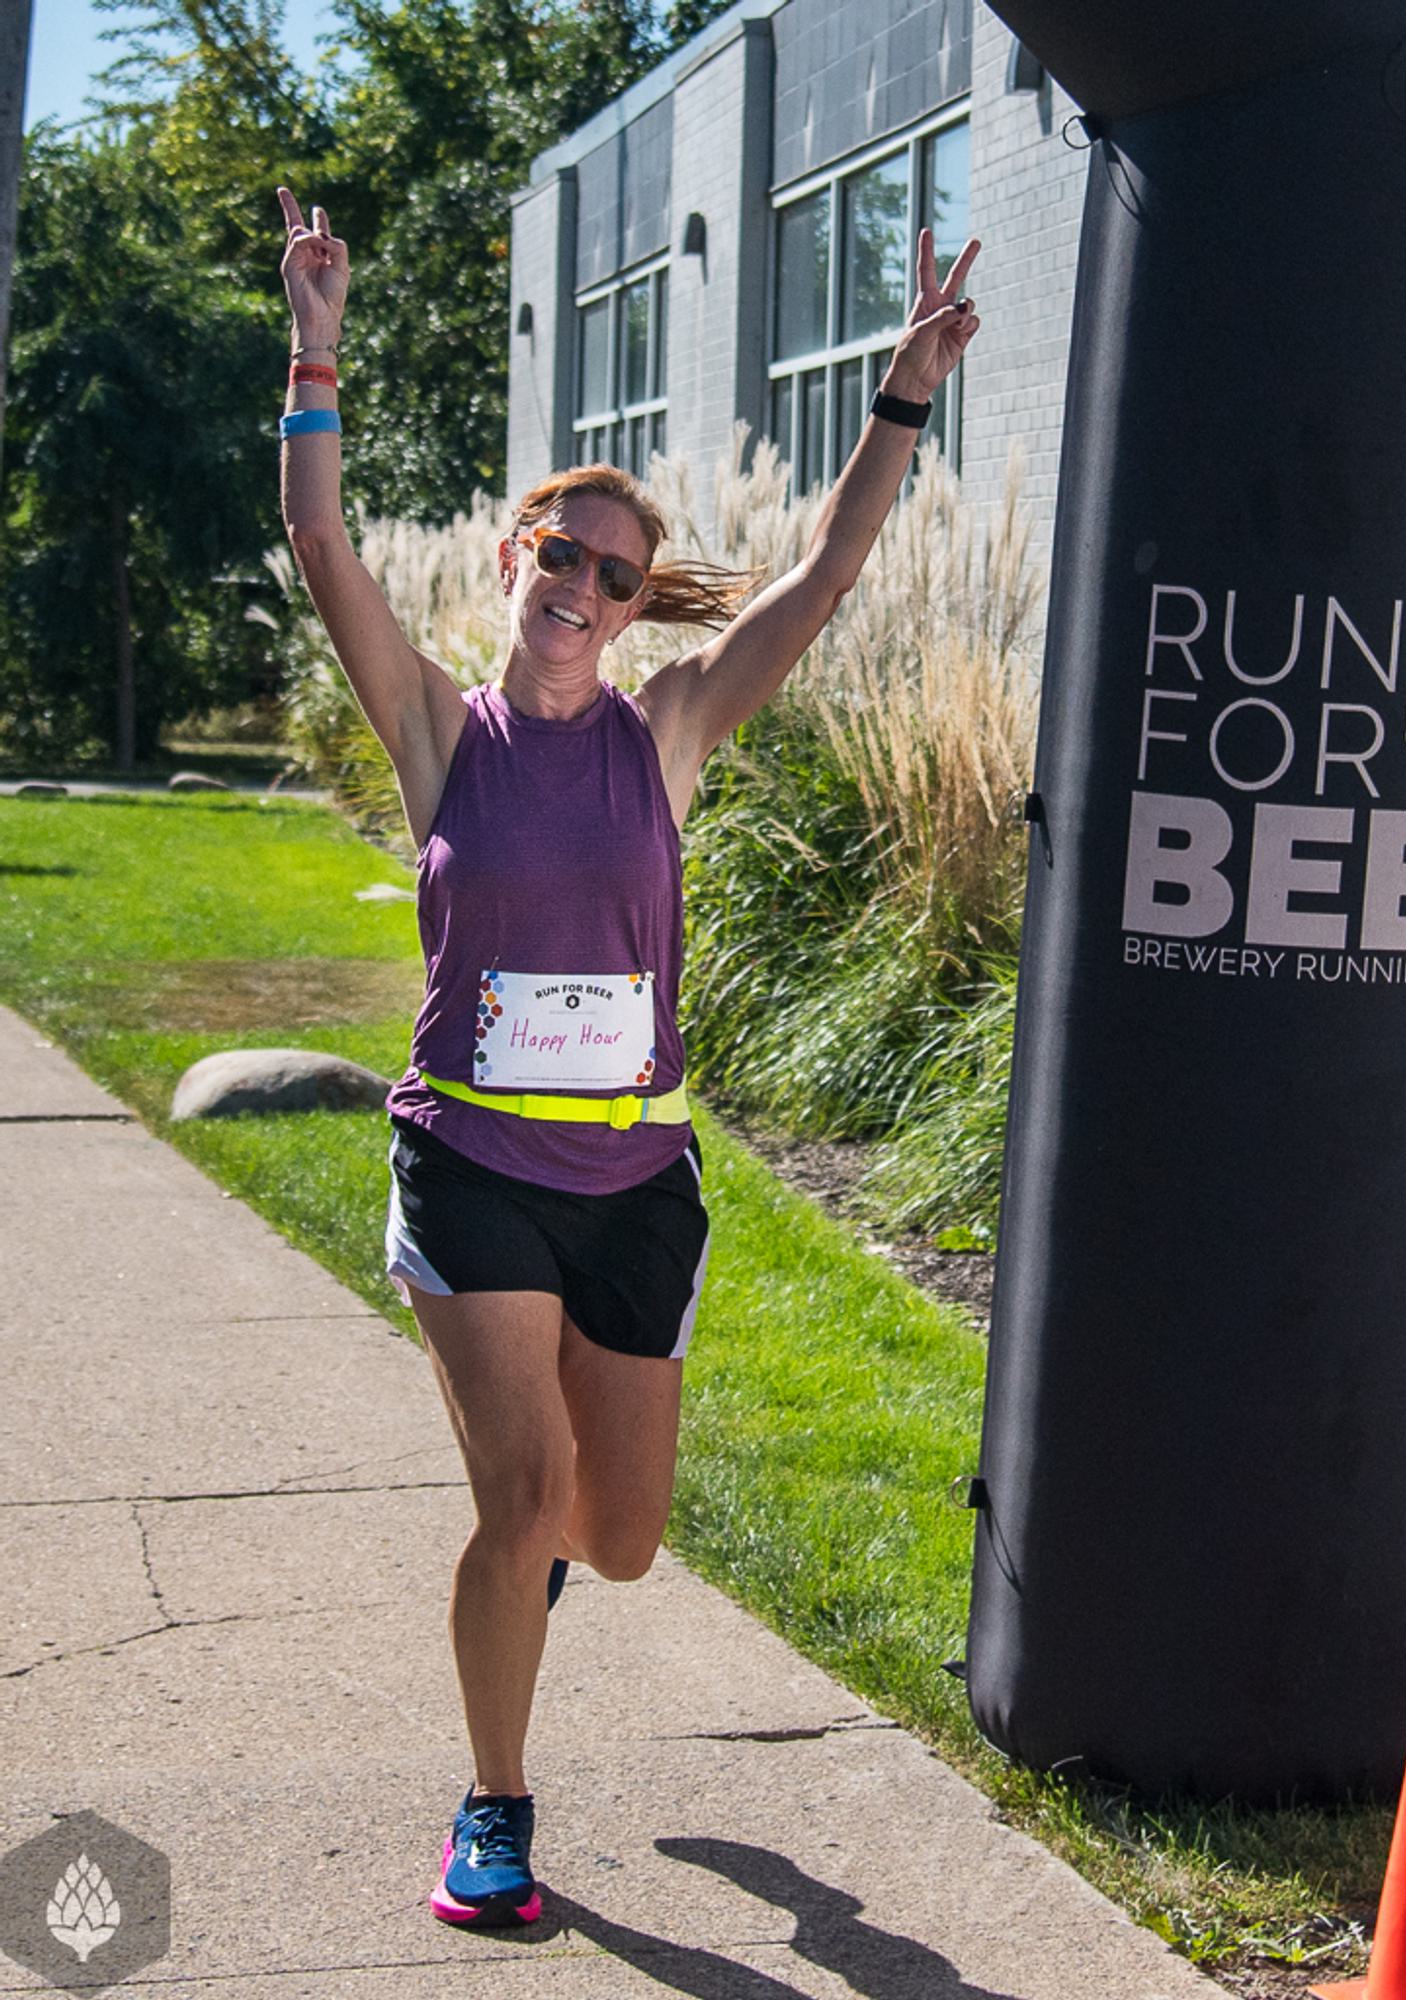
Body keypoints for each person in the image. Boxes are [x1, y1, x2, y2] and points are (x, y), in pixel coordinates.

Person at [275, 182, 981, 1927]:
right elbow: (321, 548)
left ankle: (549, 1575)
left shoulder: (667, 735)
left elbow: (820, 578)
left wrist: (904, 391)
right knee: (518, 1502)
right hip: (475, 1168)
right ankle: (496, 1808)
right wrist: (315, 354)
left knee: (623, 1536)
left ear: (632, 601)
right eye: (559, 555)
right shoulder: (443, 729)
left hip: (637, 1182)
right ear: (513, 565)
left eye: (615, 569)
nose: (583, 583)